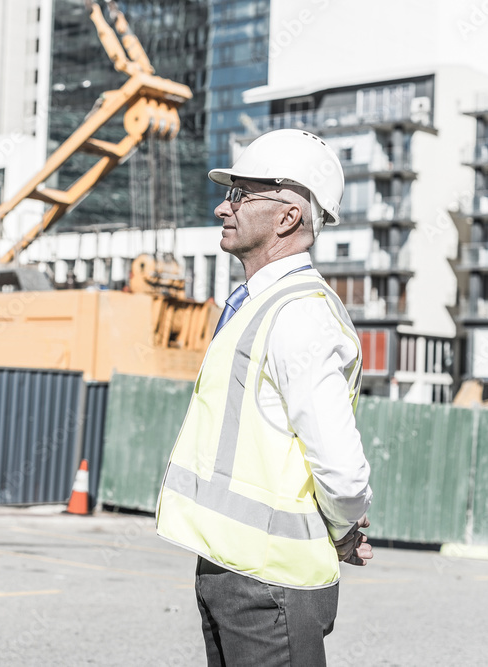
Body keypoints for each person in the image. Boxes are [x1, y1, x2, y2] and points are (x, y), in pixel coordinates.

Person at [155, 128, 374, 666]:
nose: (221, 208)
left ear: (287, 217)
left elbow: (343, 471)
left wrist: (345, 529)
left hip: (271, 585)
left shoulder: (299, 314)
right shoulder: (259, 304)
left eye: (241, 194)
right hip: (235, 575)